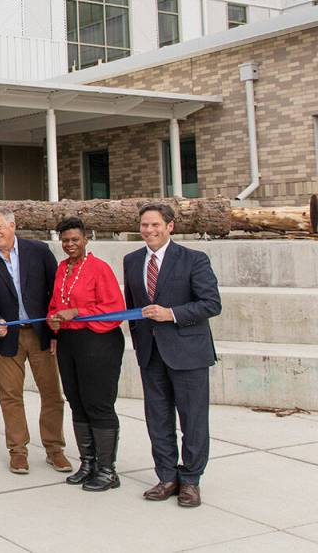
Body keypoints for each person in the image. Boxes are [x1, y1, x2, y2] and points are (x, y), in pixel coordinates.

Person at [124, 203, 221, 508]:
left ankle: (191, 480)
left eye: (155, 225)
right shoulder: (132, 260)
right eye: (144, 225)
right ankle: (166, 476)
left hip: (188, 353)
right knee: (158, 418)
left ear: (170, 227)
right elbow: (133, 307)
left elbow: (211, 303)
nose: (149, 230)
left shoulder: (194, 259)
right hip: (151, 355)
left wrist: (172, 314)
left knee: (192, 419)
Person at [0, 206, 72, 475]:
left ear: (12, 225)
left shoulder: (38, 251)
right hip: (8, 339)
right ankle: (18, 451)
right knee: (10, 396)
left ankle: (55, 449)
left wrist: (55, 332)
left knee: (52, 394)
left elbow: (55, 291)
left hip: (41, 334)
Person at [46, 217, 126, 491]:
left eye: (75, 240)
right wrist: (54, 320)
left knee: (98, 403)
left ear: (86, 239)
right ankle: (88, 462)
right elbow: (56, 303)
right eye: (65, 240)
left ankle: (107, 470)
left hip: (98, 341)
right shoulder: (62, 269)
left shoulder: (99, 268)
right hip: (70, 341)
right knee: (77, 401)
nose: (70, 245)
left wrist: (78, 312)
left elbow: (115, 309)